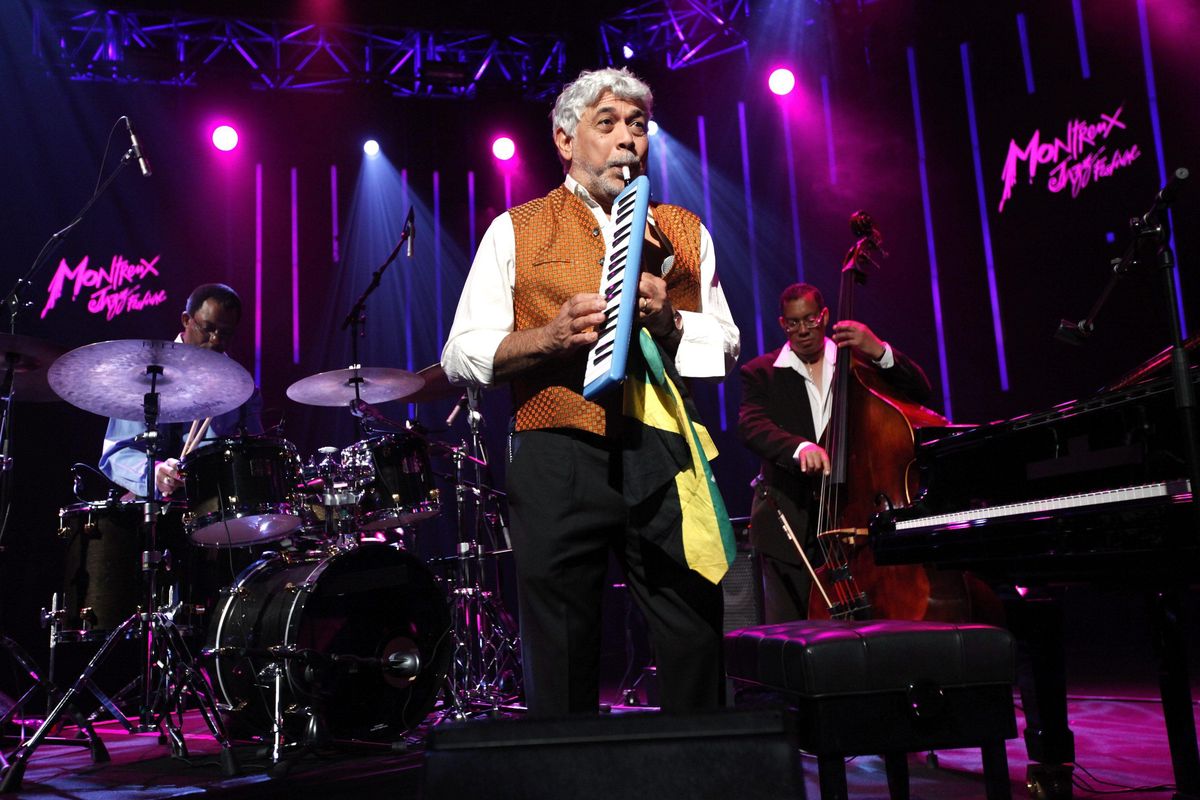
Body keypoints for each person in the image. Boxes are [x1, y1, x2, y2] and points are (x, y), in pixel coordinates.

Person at [441, 66, 740, 716]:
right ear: (565, 139)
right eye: (607, 124)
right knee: (562, 648)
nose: (627, 139)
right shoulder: (516, 229)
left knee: (693, 635)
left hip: (665, 451)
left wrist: (668, 320)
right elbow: (461, 352)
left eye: (638, 125)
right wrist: (547, 338)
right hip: (558, 454)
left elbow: (726, 345)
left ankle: (704, 777)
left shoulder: (685, 230)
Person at [737, 282, 932, 623]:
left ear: (824, 316)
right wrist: (798, 446)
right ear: (783, 324)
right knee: (793, 632)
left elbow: (920, 391)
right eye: (792, 323)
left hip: (855, 518)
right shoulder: (761, 373)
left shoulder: (856, 362)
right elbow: (752, 426)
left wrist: (880, 351)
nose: (802, 331)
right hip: (791, 528)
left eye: (809, 320)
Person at [99, 283, 263, 498]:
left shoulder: (243, 387)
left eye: (225, 333)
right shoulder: (146, 377)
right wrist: (154, 473)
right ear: (187, 320)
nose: (215, 340)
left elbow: (255, 455)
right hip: (159, 505)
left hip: (219, 505)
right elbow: (116, 452)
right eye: (208, 328)